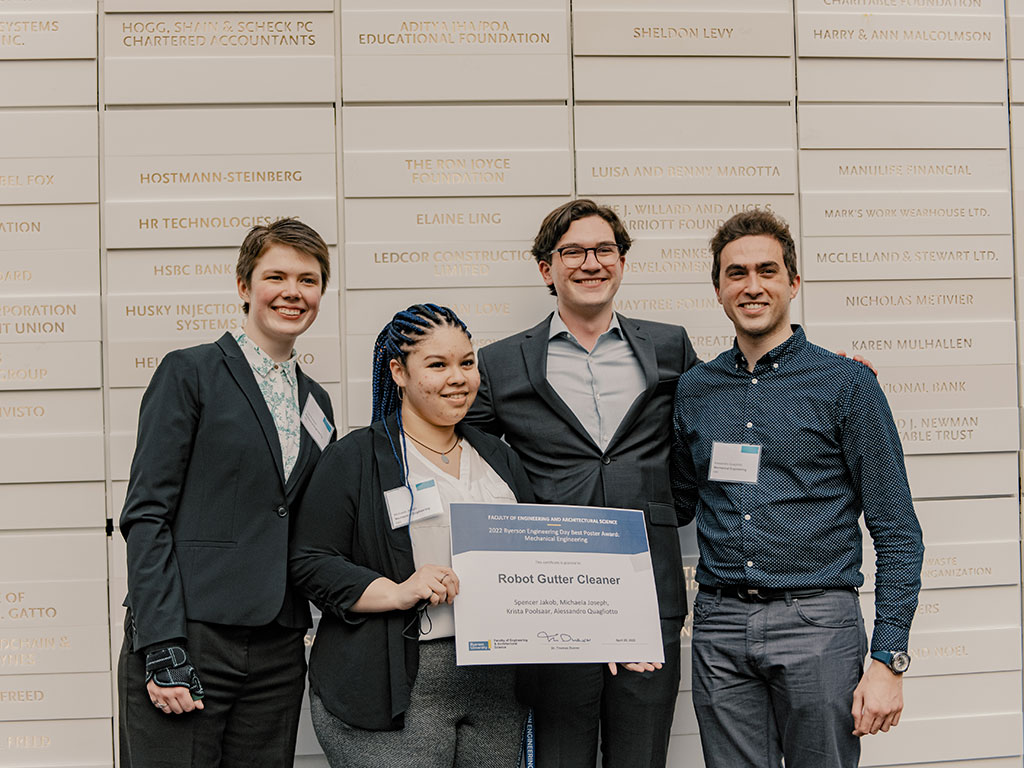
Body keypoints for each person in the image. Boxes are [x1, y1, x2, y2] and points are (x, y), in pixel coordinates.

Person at [670, 208, 925, 768]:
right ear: (718, 289)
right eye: (736, 273)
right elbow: (676, 504)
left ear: (794, 282)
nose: (752, 285)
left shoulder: (846, 384)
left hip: (818, 626)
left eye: (767, 270)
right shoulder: (694, 390)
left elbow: (898, 533)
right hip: (720, 626)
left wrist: (888, 659)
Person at [464, 199, 697, 767]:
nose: (590, 263)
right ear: (548, 269)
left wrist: (823, 369)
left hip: (649, 592)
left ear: (621, 262)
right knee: (561, 756)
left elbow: (718, 415)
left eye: (604, 250)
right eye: (573, 251)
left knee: (640, 757)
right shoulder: (499, 363)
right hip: (553, 597)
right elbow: (458, 453)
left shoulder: (671, 346)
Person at [117, 218, 336, 767]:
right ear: (244, 286)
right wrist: (162, 643)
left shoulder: (318, 404)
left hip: (279, 646)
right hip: (192, 631)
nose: (293, 292)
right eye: (277, 276)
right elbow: (146, 515)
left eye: (308, 280)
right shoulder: (190, 372)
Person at [289, 303, 534, 768]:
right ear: (398, 372)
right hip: (392, 684)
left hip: (496, 689)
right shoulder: (355, 458)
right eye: (438, 365)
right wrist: (398, 591)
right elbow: (310, 561)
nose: (458, 377)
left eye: (467, 362)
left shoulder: (499, 459)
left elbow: (536, 563)